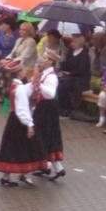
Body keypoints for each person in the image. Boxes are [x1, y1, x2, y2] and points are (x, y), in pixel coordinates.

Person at [0, 58, 42, 187]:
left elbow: (26, 91)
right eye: (23, 69)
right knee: (23, 147)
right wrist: (29, 124)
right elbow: (22, 109)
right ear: (19, 72)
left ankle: (8, 176)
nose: (25, 71)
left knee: (11, 147)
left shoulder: (15, 85)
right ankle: (23, 174)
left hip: (13, 120)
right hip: (19, 121)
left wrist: (33, 82)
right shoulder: (19, 88)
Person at [32, 48, 66, 180]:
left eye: (46, 58)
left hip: (48, 108)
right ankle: (54, 167)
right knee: (45, 136)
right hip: (43, 107)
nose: (43, 60)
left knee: (43, 136)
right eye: (43, 57)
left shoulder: (51, 76)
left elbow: (50, 94)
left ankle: (49, 166)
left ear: (51, 62)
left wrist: (39, 84)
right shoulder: (44, 74)